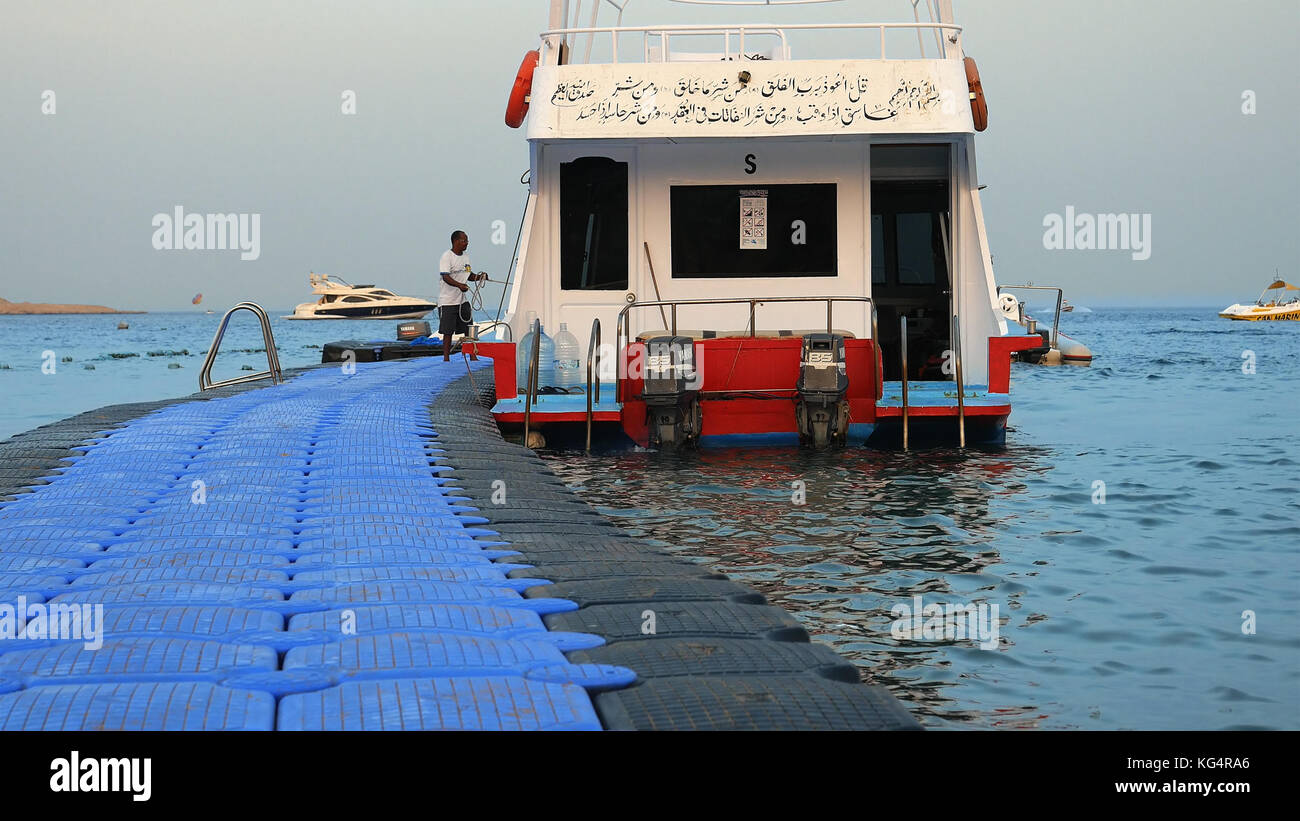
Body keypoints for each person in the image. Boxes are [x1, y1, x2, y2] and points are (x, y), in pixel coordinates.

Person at [437, 230, 487, 361]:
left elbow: (468, 275)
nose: (466, 243)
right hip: (447, 301)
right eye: (464, 241)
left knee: (468, 328)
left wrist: (479, 277)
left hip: (462, 300)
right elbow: (445, 276)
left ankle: (472, 355)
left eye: (467, 241)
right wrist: (459, 285)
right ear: (455, 241)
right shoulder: (447, 256)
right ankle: (446, 358)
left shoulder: (466, 258)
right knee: (448, 332)